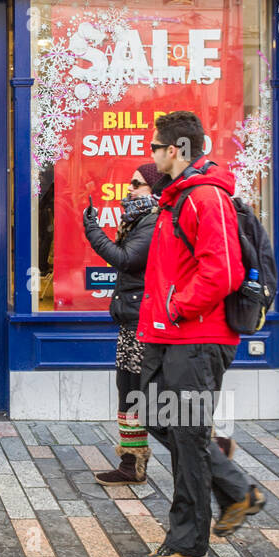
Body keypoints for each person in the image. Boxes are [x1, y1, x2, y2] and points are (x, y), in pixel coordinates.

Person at [137, 110, 266, 557]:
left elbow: (224, 271)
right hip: (170, 336)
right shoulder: (178, 197)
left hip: (196, 337)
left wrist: (176, 307)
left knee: (188, 438)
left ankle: (187, 544)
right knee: (153, 414)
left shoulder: (203, 197)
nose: (150, 155)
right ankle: (236, 489)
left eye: (154, 147)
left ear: (175, 150)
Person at [83, 161, 167, 485]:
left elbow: (126, 259)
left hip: (144, 321)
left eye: (137, 183)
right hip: (132, 319)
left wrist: (92, 232)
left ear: (154, 189)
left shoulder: (153, 220)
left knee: (146, 396)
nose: (129, 189)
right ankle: (132, 465)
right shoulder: (139, 220)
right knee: (129, 392)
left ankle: (202, 462)